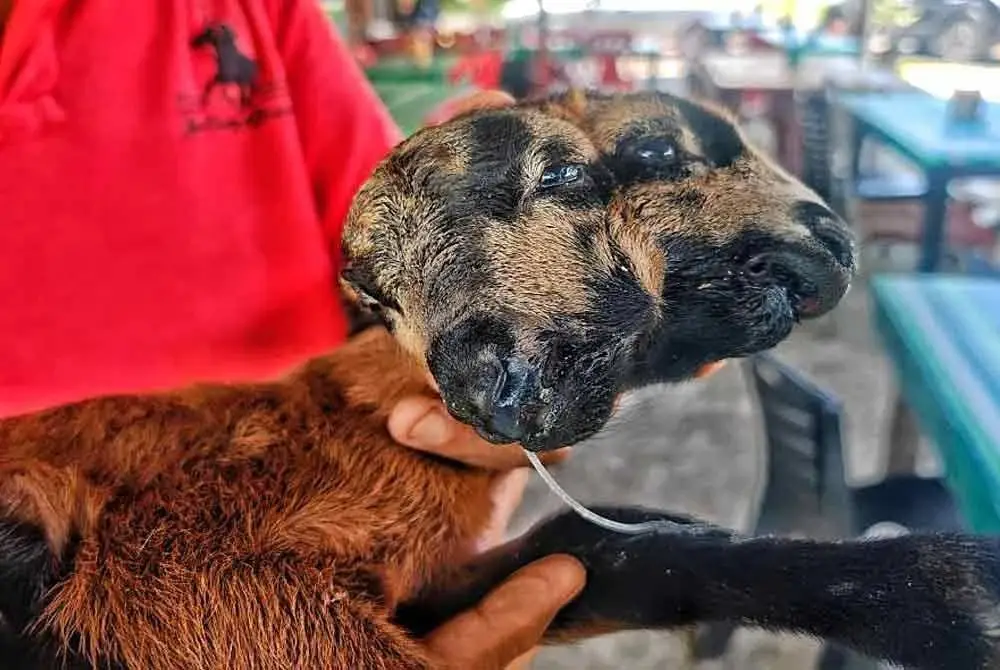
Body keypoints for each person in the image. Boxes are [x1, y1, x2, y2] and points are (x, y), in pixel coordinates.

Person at [0, 0, 584, 667]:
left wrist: (506, 316)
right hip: (60, 554)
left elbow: (390, 245)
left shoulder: (253, 12)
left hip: (332, 494)